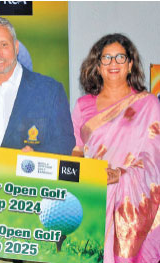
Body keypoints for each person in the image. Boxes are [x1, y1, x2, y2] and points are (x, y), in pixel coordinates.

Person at [72, 33, 160, 263]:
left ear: (130, 64)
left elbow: (154, 158)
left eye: (120, 57)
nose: (113, 64)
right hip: (94, 200)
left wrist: (121, 175)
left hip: (134, 206)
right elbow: (76, 150)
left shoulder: (148, 104)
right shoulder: (83, 106)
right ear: (97, 66)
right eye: (106, 58)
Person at [0, 16, 75, 156]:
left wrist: (36, 157)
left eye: (3, 45)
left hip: (33, 178)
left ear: (16, 47)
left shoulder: (50, 90)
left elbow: (65, 143)